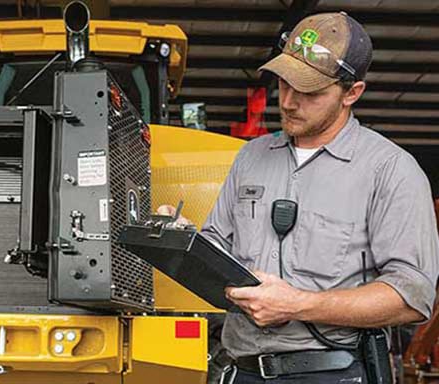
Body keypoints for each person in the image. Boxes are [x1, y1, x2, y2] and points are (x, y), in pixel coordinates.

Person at [160, 12, 439, 383]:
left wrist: (299, 305)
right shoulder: (251, 156)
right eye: (284, 83)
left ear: (351, 93)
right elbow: (218, 246)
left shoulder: (390, 170)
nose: (289, 102)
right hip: (239, 369)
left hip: (329, 373)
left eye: (309, 91)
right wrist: (185, 240)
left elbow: (411, 296)